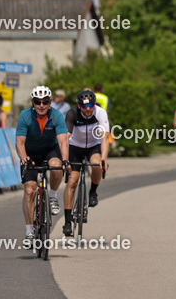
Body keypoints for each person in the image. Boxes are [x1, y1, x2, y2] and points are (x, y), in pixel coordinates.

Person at [15, 85, 69, 249]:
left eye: (45, 102)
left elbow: (62, 141)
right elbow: (19, 142)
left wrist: (65, 160)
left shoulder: (57, 115)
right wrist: (24, 159)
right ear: (32, 102)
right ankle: (29, 231)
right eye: (37, 102)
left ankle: (52, 196)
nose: (41, 105)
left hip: (49, 151)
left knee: (56, 166)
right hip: (30, 154)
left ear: (50, 102)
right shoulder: (25, 115)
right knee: (30, 190)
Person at [62, 89, 110, 237]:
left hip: (93, 146)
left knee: (97, 164)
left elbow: (105, 138)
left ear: (95, 104)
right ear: (79, 105)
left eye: (91, 106)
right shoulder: (72, 114)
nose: (88, 110)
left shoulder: (100, 113)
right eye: (84, 107)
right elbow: (66, 136)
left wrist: (104, 158)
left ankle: (93, 191)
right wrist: (64, 159)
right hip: (75, 147)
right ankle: (68, 222)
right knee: (72, 182)